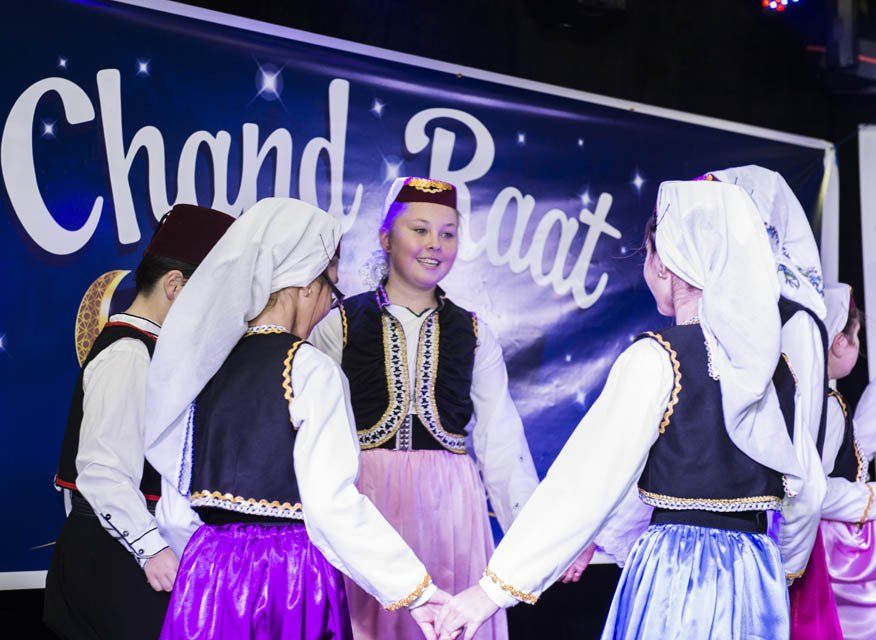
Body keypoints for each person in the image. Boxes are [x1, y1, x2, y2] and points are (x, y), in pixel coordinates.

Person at [434, 179, 824, 640]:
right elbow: (808, 495)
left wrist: (492, 590)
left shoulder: (658, 358)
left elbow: (586, 483)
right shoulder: (780, 370)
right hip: (755, 572)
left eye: (649, 253)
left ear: (667, 264)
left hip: (680, 574)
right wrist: (778, 572)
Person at [143, 198, 448, 640]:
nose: (328, 305)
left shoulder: (203, 366)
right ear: (306, 284)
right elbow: (331, 507)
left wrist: (212, 563)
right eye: (330, 289)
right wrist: (414, 590)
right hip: (286, 577)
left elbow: (173, 510)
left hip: (207, 574)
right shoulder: (311, 369)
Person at [308, 176, 542, 640]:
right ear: (385, 238)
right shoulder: (339, 325)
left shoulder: (474, 332)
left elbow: (501, 443)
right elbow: (308, 436)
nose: (435, 244)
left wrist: (536, 545)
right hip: (365, 499)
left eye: (448, 233)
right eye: (420, 230)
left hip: (448, 507)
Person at [44, 205, 235, 640]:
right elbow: (104, 472)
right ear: (174, 285)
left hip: (132, 552)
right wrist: (153, 551)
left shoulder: (157, 352)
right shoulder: (129, 353)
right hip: (117, 559)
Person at [701, 166, 833, 638]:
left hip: (761, 553)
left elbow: (802, 472)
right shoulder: (718, 306)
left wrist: (773, 571)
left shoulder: (792, 319)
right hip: (703, 557)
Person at [819, 284, 876, 640]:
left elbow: (860, 445)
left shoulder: (823, 403)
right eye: (856, 336)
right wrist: (870, 498)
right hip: (829, 553)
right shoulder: (827, 406)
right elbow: (815, 489)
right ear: (840, 342)